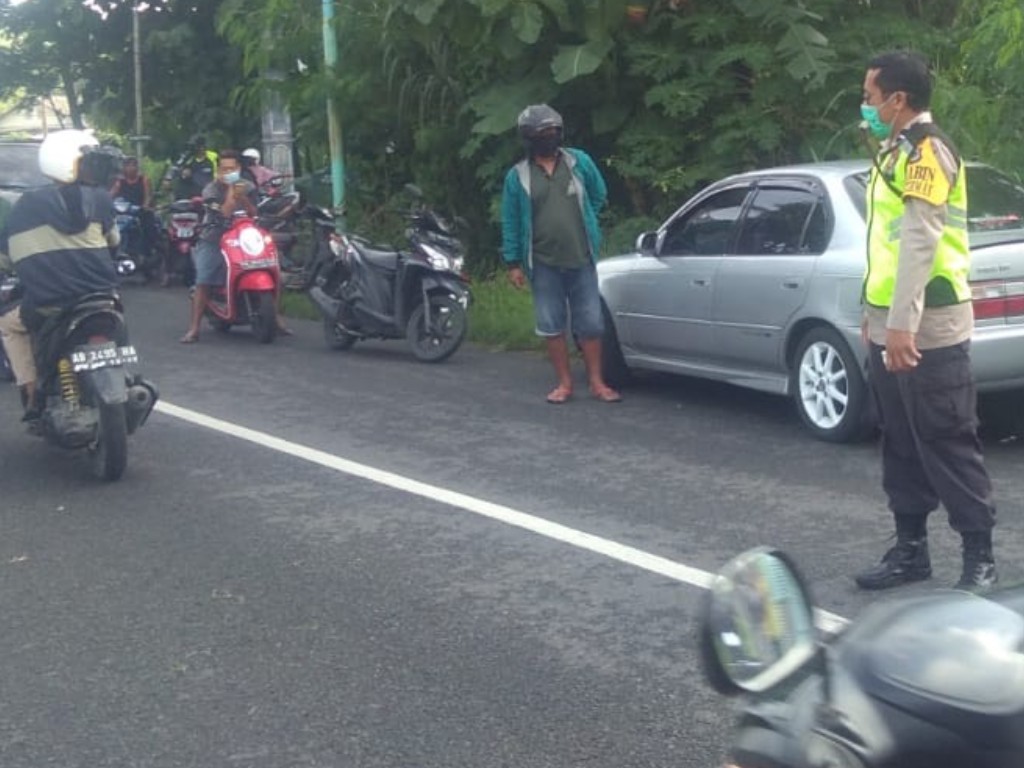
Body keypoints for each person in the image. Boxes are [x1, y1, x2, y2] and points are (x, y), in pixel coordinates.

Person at [854, 51, 997, 591]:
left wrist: (901, 325)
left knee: (946, 437)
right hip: (891, 319)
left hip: (926, 325)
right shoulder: (896, 151)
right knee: (899, 440)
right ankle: (911, 550)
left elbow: (919, 241)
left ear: (898, 100)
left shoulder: (929, 153)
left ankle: (978, 558)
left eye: (870, 97)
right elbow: (880, 247)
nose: (865, 106)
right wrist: (872, 314)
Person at [500, 104, 621, 404]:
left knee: (591, 323)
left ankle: (596, 382)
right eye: (541, 134)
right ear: (529, 138)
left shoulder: (578, 162)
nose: (548, 138)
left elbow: (598, 194)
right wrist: (513, 262)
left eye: (553, 132)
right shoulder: (518, 177)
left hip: (582, 257)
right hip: (542, 263)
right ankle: (564, 383)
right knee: (551, 324)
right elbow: (512, 221)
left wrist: (587, 222)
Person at [0, 129, 121, 421]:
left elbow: (6, 258)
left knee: (8, 324)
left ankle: (31, 391)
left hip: (49, 303)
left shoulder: (21, 208)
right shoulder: (101, 200)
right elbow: (114, 242)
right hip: (103, 297)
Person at [179, 149, 289, 342]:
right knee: (204, 279)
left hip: (244, 235)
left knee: (275, 270)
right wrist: (231, 191)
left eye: (232, 168)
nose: (227, 172)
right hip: (214, 237)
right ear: (218, 170)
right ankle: (194, 329)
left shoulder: (248, 186)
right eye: (224, 169)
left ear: (238, 169)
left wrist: (242, 194)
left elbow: (254, 212)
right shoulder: (210, 190)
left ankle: (276, 318)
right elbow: (225, 213)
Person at [109, 156, 159, 275]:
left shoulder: (144, 180)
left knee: (148, 227)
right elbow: (111, 195)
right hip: (123, 212)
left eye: (133, 165)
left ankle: (145, 253)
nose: (131, 168)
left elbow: (148, 195)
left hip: (140, 211)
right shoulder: (119, 182)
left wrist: (145, 206)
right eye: (128, 165)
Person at [175, 134, 218, 199]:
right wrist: (182, 172)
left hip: (207, 192)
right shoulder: (187, 157)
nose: (192, 149)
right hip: (189, 193)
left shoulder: (213, 157)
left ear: (202, 147)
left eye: (195, 146)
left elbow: (217, 174)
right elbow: (176, 169)